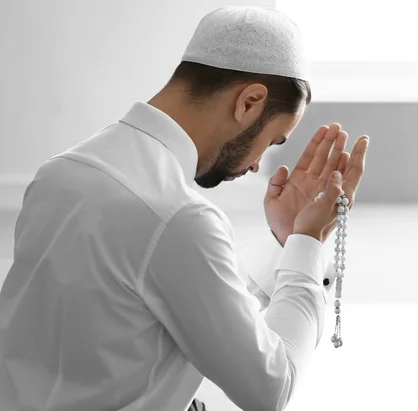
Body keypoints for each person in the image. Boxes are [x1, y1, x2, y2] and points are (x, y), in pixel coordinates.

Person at [0, 6, 369, 411]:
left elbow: (177, 298)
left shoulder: (63, 171)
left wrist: (283, 240)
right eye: (273, 140)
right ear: (248, 102)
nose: (257, 164)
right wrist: (308, 242)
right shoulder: (177, 215)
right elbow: (272, 389)